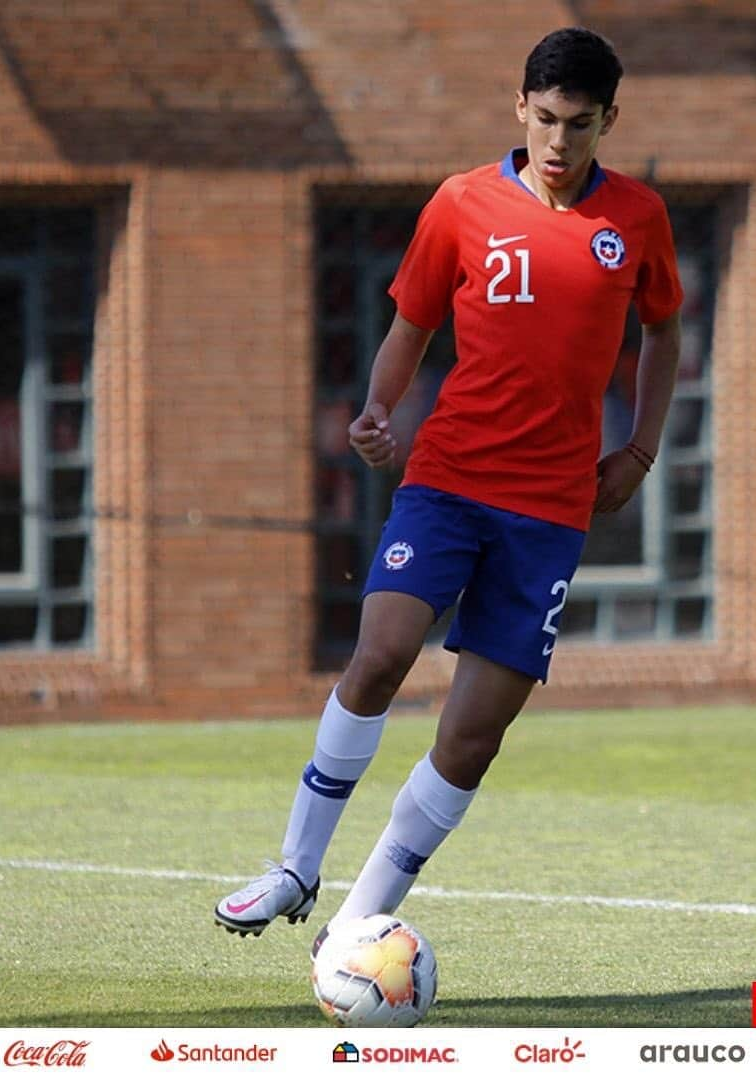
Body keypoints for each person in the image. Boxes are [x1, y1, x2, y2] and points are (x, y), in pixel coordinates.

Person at [214, 26, 682, 942]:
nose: (558, 141)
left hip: (550, 512)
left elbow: (662, 334)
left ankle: (356, 928)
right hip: (448, 480)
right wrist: (378, 408)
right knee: (382, 653)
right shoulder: (461, 203)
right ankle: (294, 867)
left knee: (473, 737)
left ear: (608, 122)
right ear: (519, 107)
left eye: (579, 125)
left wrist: (640, 451)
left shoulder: (638, 221)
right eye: (544, 119)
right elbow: (412, 322)